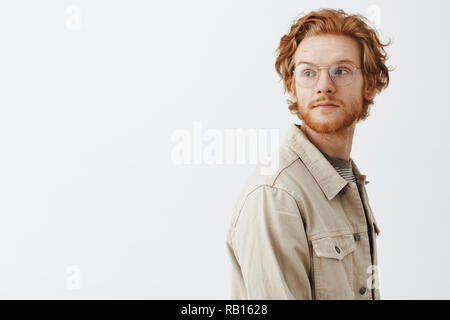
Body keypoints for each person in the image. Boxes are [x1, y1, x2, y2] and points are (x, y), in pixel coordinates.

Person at [226, 8, 392, 300]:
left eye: (341, 70)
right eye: (308, 73)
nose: (324, 86)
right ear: (292, 87)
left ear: (369, 83)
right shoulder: (277, 195)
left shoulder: (346, 180)